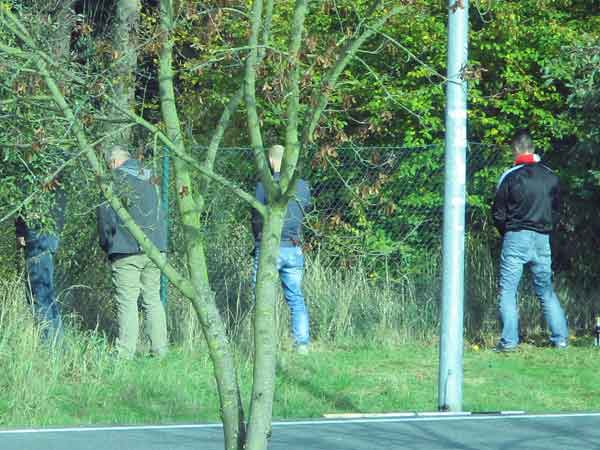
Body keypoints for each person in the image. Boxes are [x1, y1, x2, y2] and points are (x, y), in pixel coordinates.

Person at [492, 131, 568, 351]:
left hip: (516, 236)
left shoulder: (510, 176)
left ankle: (508, 343)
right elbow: (556, 211)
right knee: (545, 290)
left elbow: (498, 212)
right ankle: (560, 339)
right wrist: (546, 228)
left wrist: (506, 232)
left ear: (515, 149)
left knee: (508, 291)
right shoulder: (550, 176)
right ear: (532, 148)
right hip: (542, 238)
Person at [97, 145, 168, 358]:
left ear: (113, 162)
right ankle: (160, 350)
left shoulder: (114, 180)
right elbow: (160, 212)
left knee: (127, 300)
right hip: (155, 247)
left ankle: (125, 352)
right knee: (152, 298)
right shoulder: (149, 177)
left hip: (126, 250)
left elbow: (105, 219)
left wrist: (107, 244)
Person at [252, 144, 311, 354]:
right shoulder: (303, 186)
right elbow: (304, 210)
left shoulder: (265, 186)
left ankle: (265, 344)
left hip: (270, 248)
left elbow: (256, 217)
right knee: (296, 297)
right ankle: (302, 344)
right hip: (294, 247)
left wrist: (258, 239)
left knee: (261, 297)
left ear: (270, 160)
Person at [15, 177, 66, 346]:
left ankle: (47, 345)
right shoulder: (58, 186)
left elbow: (25, 208)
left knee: (40, 297)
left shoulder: (35, 177)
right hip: (47, 245)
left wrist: (21, 232)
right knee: (47, 296)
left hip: (38, 245)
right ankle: (57, 344)